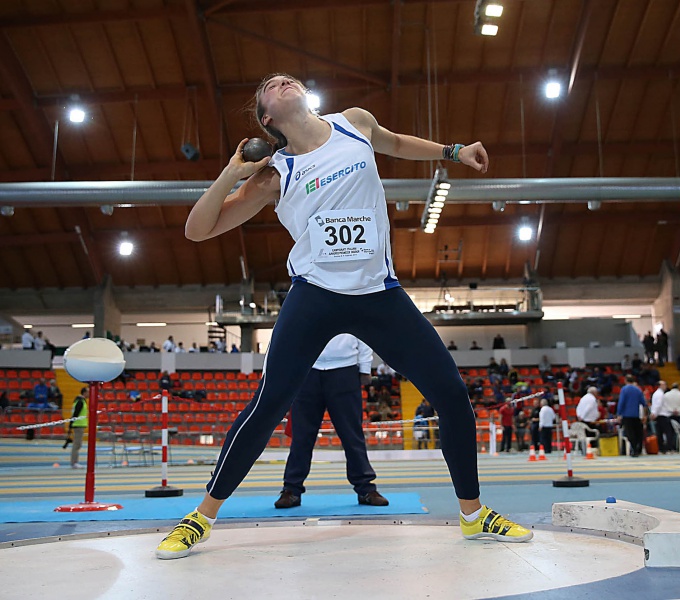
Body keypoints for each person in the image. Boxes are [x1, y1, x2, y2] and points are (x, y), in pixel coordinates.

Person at [156, 73, 531, 559]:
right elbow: (197, 230)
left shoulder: (355, 123)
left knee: (452, 393)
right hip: (315, 295)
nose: (282, 81)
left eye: (287, 78)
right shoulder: (274, 174)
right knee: (268, 404)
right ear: (267, 118)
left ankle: (474, 515)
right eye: (271, 85)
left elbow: (397, 143)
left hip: (379, 293)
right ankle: (200, 518)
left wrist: (452, 151)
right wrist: (232, 173)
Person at [274, 334, 388, 508]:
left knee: (352, 435)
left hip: (345, 370)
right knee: (301, 436)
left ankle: (366, 488)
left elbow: (363, 332)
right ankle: (291, 489)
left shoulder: (355, 312)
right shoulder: (300, 312)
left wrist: (365, 367)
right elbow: (289, 332)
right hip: (307, 368)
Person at [617, 375, 648, 457]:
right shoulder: (638, 390)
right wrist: (645, 415)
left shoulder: (624, 389)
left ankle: (633, 449)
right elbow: (644, 403)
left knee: (629, 433)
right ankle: (638, 448)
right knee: (637, 432)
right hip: (636, 415)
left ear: (625, 380)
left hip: (627, 415)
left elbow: (621, 402)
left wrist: (619, 413)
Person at [651, 380, 674, 453]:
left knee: (660, 432)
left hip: (660, 415)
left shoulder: (659, 394)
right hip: (662, 415)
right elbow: (658, 405)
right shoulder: (659, 394)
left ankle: (662, 448)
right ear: (660, 386)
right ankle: (668, 447)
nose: (665, 386)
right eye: (664, 385)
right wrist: (654, 413)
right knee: (668, 432)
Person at [69, 387, 89, 468]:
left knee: (78, 444)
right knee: (77, 444)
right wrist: (71, 424)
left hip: (80, 424)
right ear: (84, 392)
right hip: (78, 425)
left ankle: (74, 462)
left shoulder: (81, 401)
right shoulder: (80, 401)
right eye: (88, 392)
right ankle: (74, 462)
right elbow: (75, 414)